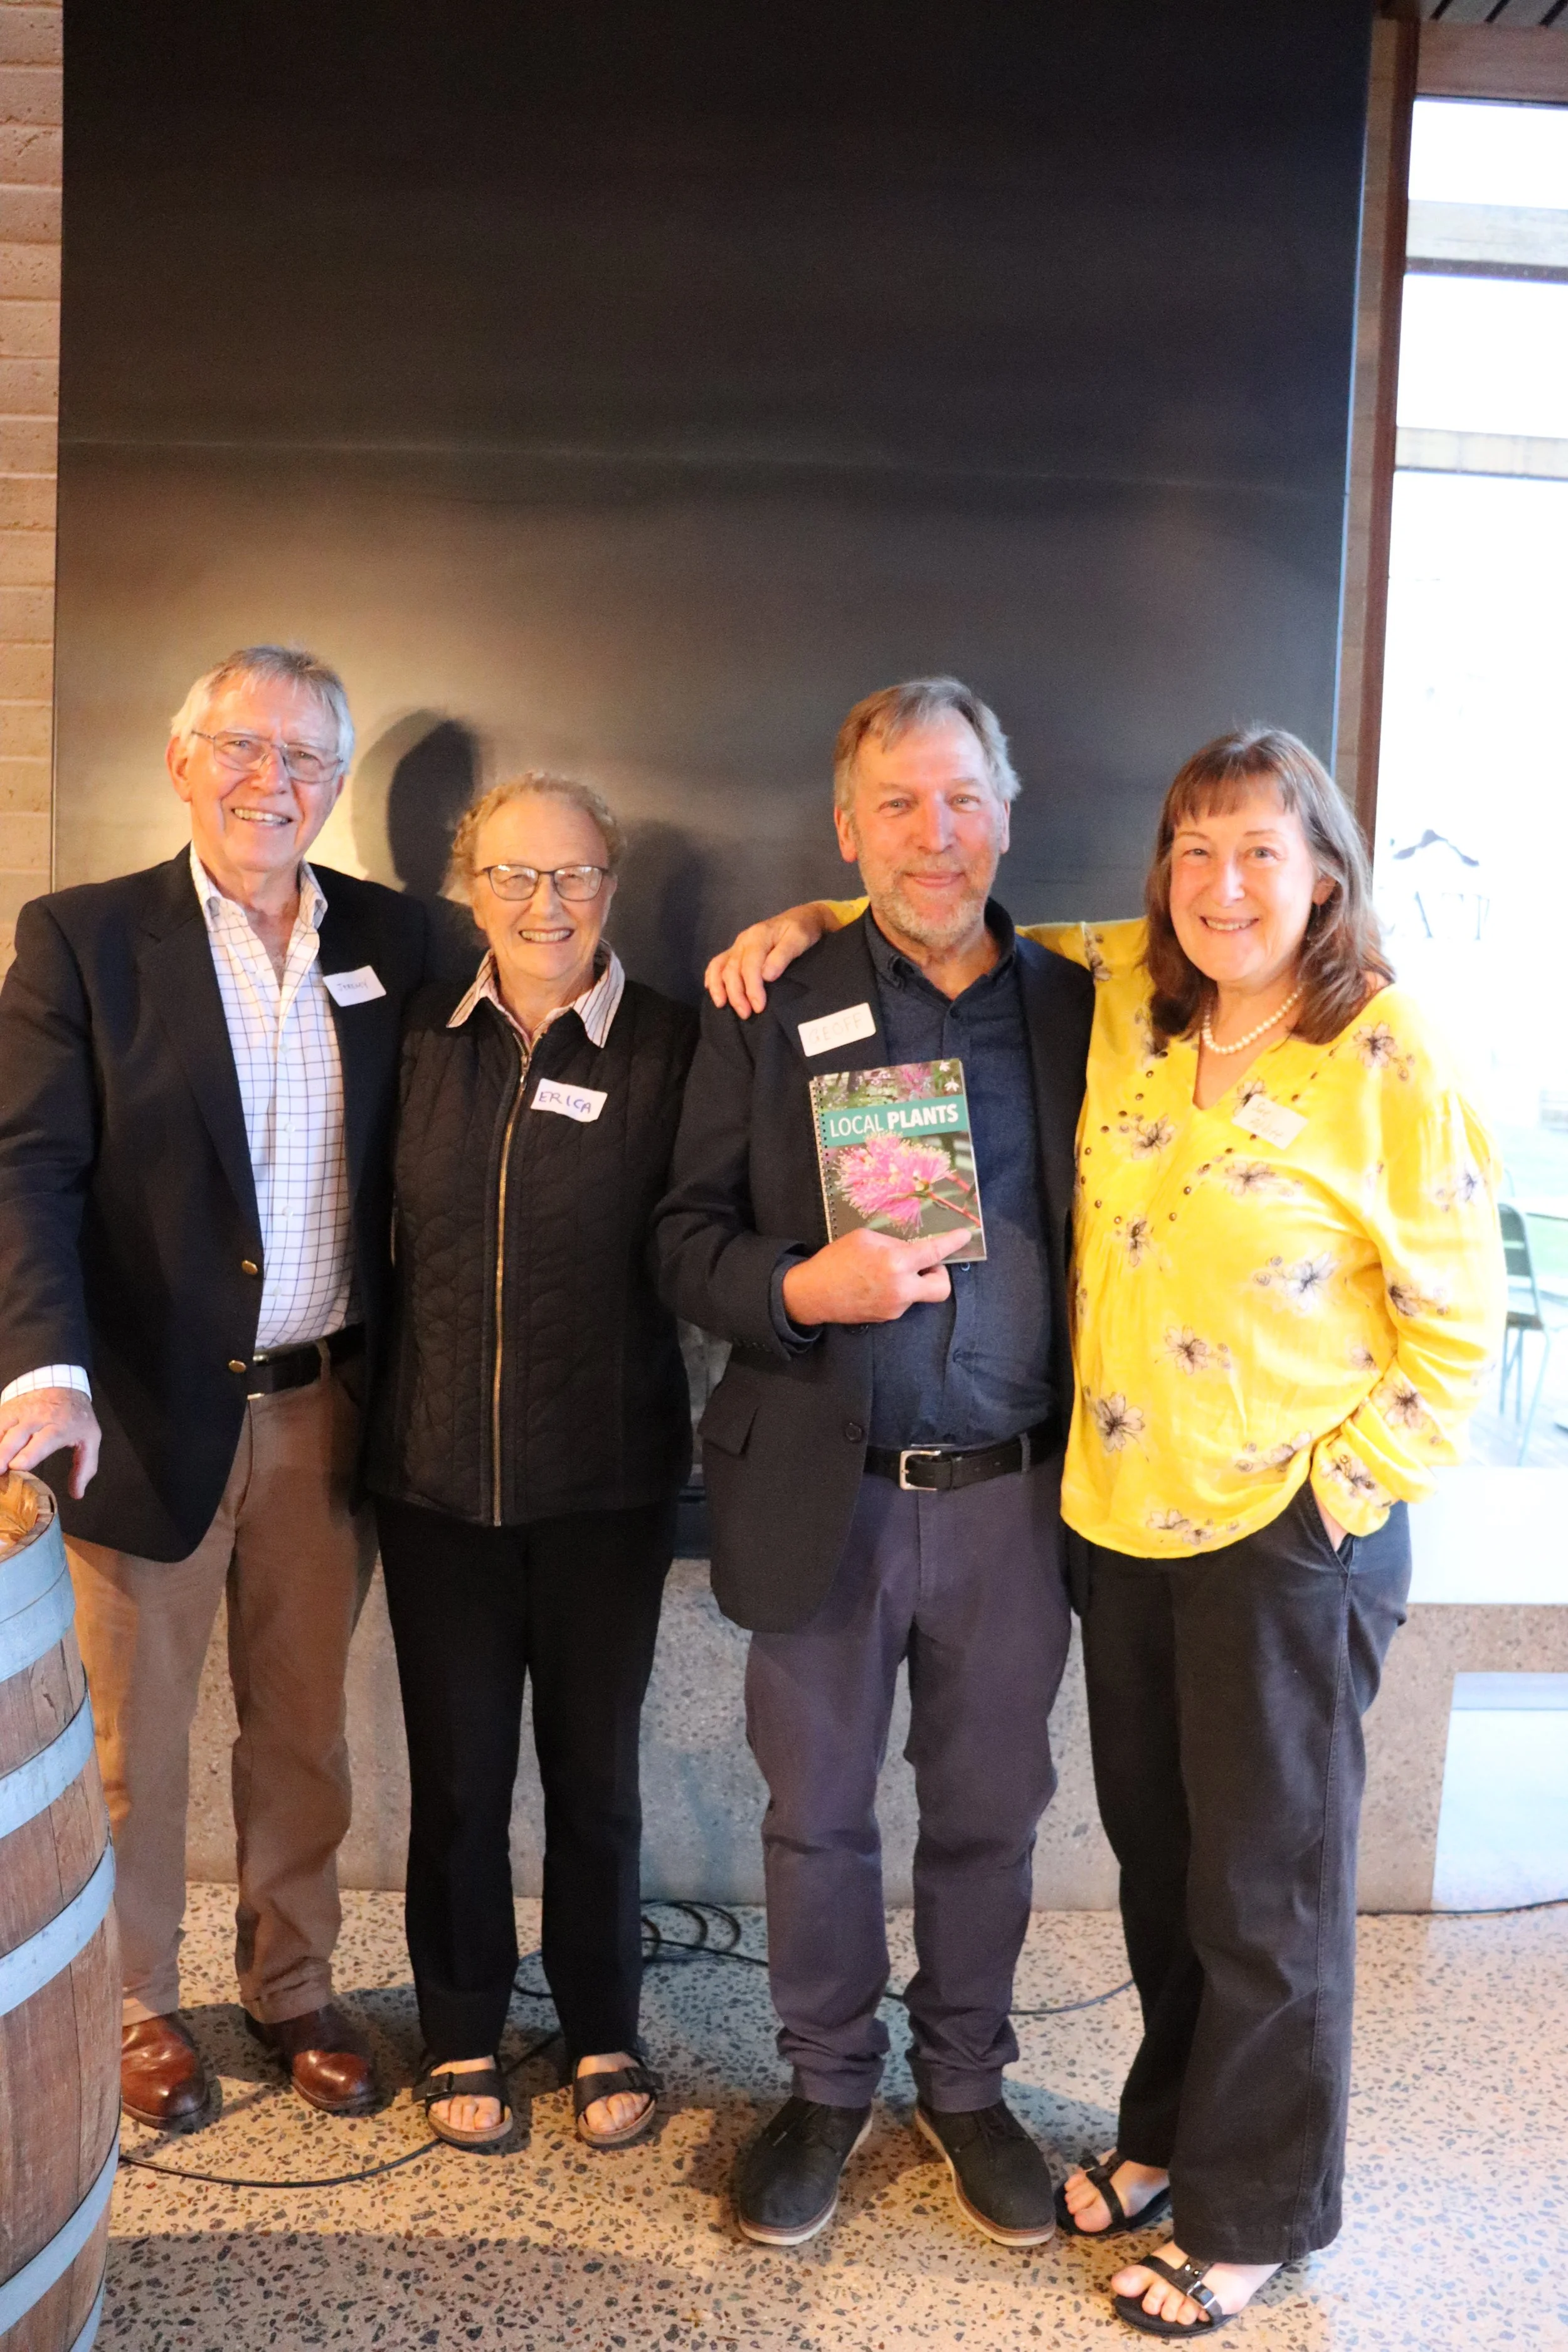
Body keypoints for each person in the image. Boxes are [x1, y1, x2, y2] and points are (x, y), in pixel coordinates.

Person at [704, 725, 1505, 2331]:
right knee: (1162, 1868)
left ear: (1325, 872)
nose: (1223, 886)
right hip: (1121, 1526)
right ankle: (1156, 2133)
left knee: (1267, 1892)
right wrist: (800, 919)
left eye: (1261, 852)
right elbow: (936, 904)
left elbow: (1460, 1329)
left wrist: (1326, 1504)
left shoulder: (1379, 1055)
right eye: (1194, 853)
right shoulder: (1130, 999)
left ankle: (1250, 2210)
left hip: (1279, 1541)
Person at [0, 645, 462, 2130]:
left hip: (331, 1409)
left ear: (334, 783)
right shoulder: (82, 939)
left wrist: (797, 927)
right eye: (247, 750)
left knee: (303, 1729)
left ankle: (293, 1983)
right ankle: (130, 1999)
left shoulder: (407, 937)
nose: (277, 782)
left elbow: (555, 973)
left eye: (307, 760)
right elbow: (27, 1167)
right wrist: (44, 1369)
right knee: (130, 1746)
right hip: (138, 1417)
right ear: (185, 760)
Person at [657, 678, 1093, 2249]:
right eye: (897, 804)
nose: (935, 832)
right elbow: (682, 1242)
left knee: (990, 1812)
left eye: (962, 797)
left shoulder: (1079, 1004)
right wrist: (795, 1289)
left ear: (1004, 809)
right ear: (847, 830)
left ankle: (963, 2087)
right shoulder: (765, 1000)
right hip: (821, 1495)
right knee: (816, 1816)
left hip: (1013, 1502)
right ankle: (828, 2084)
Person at [368, 773, 696, 2153]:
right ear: (469, 889)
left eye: (570, 877)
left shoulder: (676, 1048)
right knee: (454, 1779)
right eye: (512, 876)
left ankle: (602, 2020)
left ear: (610, 890)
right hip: (432, 1478)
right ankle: (459, 2029)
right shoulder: (413, 1042)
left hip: (605, 1487)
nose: (543, 904)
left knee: (593, 1776)